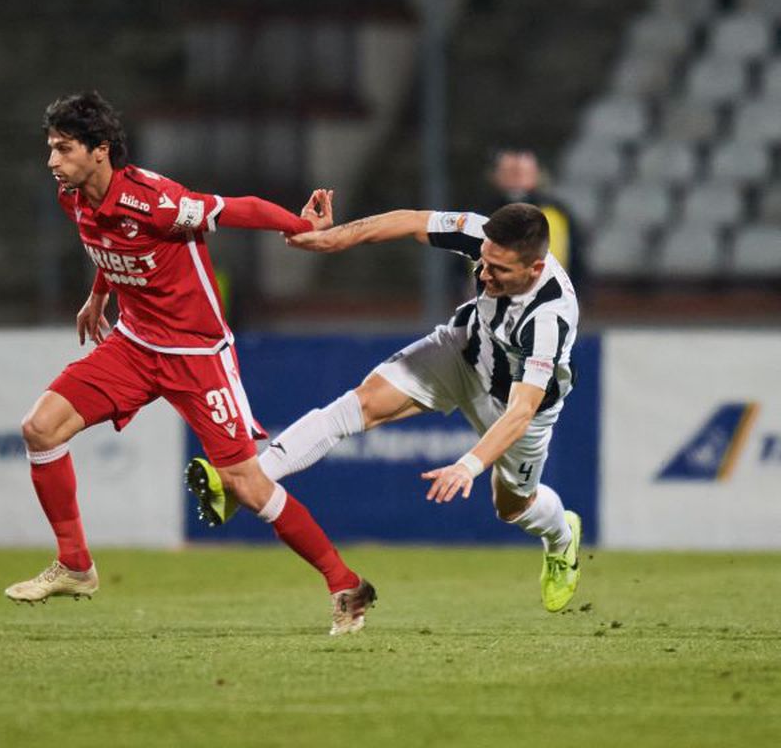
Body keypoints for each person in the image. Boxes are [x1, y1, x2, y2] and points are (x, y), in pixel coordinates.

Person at [5, 91, 376, 636]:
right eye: (51, 148)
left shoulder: (155, 201)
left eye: (63, 149)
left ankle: (345, 584)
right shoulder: (74, 198)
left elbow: (238, 208)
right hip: (133, 346)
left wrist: (303, 229)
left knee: (247, 486)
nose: (52, 161)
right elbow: (113, 243)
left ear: (99, 149)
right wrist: (98, 296)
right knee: (40, 428)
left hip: (197, 354)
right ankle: (76, 565)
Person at [185, 201, 583, 613]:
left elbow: (521, 411)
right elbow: (410, 221)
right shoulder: (481, 235)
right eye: (484, 262)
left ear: (535, 269)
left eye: (498, 270)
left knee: (512, 507)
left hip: (514, 405)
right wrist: (331, 240)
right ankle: (244, 481)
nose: (484, 275)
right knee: (359, 404)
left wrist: (468, 466)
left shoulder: (548, 319)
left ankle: (561, 538)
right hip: (463, 352)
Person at [483, 148, 587, 298]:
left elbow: (577, 259)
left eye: (522, 172)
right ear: (496, 175)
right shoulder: (482, 213)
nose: (517, 177)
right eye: (510, 171)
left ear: (537, 174)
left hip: (548, 299)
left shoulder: (556, 213)